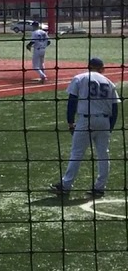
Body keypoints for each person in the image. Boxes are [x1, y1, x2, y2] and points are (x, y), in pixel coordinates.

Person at [50, 57, 120, 198]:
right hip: (104, 121)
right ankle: (99, 188)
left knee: (77, 153)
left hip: (86, 120)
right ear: (102, 68)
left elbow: (72, 101)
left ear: (88, 66)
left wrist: (70, 122)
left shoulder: (80, 78)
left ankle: (66, 185)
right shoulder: (109, 82)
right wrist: (109, 127)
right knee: (103, 155)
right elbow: (115, 108)